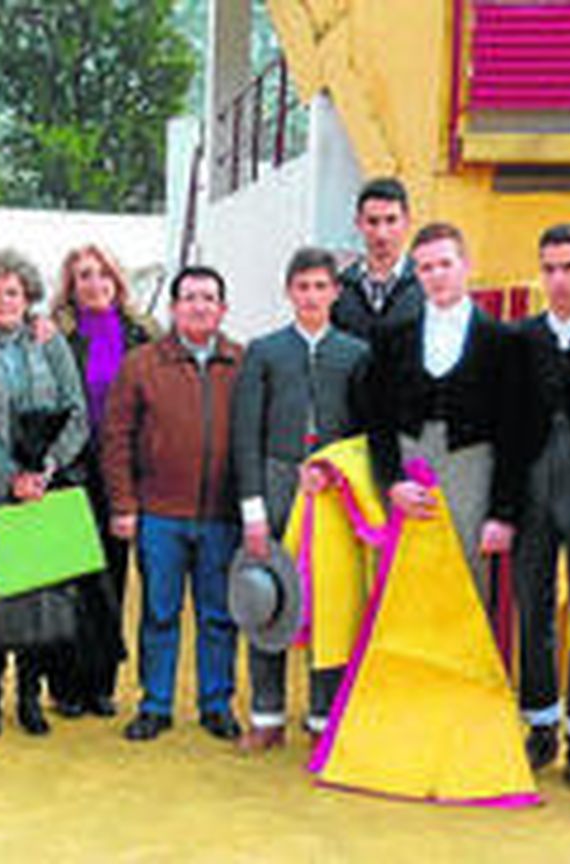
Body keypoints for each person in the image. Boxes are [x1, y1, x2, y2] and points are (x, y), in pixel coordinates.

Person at [231, 247, 369, 750]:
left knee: (330, 603)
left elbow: (363, 434)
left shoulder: (355, 354)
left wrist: (342, 477)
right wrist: (252, 507)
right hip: (276, 482)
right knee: (267, 596)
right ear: (289, 292)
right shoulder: (264, 351)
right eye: (302, 287)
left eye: (320, 287)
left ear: (335, 292)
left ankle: (321, 719)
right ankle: (266, 716)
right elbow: (245, 434)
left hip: (332, 493)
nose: (311, 296)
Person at [0, 249, 89, 739]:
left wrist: (44, 472)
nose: (4, 300)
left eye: (13, 292)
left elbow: (77, 412)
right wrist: (11, 478)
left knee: (40, 597)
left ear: (28, 298)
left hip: (45, 491)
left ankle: (30, 699)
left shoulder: (51, 346)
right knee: (0, 597)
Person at [102, 265, 243, 743]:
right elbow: (116, 438)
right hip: (159, 514)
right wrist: (124, 504)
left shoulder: (243, 363)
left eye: (209, 297)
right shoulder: (142, 364)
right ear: (174, 307)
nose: (199, 306)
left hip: (223, 517)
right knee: (159, 612)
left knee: (218, 615)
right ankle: (155, 704)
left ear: (222, 308)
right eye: (189, 297)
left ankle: (216, 703)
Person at [366, 222, 527, 602]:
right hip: (410, 466)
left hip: (471, 468)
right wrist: (391, 482)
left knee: (467, 589)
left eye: (444, 264)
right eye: (425, 267)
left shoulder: (501, 340)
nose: (436, 276)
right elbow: (378, 419)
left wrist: (502, 514)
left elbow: (514, 434)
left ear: (466, 265)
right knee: (404, 588)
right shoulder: (392, 335)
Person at [511, 224, 570, 790]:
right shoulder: (521, 337)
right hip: (530, 486)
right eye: (549, 268)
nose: (559, 279)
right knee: (534, 607)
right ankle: (542, 724)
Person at [46, 244, 157, 718]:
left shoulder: (143, 336)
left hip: (122, 473)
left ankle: (101, 685)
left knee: (111, 577)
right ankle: (65, 686)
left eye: (101, 274)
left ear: (117, 279)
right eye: (83, 276)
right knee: (67, 576)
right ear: (71, 286)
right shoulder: (54, 336)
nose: (94, 283)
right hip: (70, 470)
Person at [331, 178, 422, 339]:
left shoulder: (427, 287)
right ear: (358, 223)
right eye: (373, 222)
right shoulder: (339, 288)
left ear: (407, 221)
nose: (382, 233)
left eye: (391, 220)